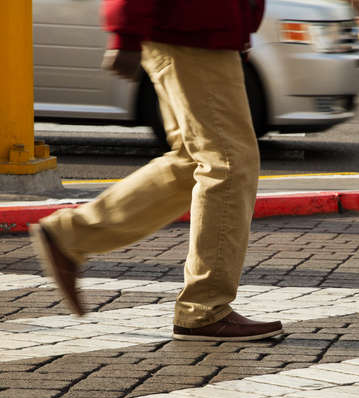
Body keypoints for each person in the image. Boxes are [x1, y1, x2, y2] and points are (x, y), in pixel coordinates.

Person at [30, 0, 283, 342]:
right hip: (191, 30)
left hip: (202, 28)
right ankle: (205, 309)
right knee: (228, 163)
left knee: (193, 160)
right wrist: (124, 30)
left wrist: (241, 26)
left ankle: (71, 234)